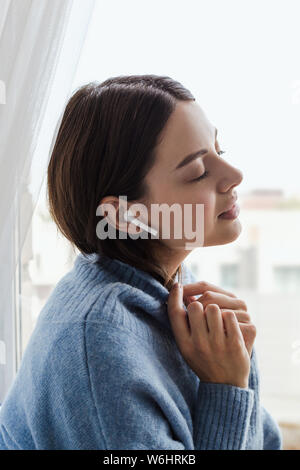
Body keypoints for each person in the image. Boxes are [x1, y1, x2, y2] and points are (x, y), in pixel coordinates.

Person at [0, 75, 282, 449]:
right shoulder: (98, 344)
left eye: (220, 149)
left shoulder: (172, 283)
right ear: (125, 217)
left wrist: (239, 367)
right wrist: (228, 387)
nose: (235, 176)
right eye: (197, 171)